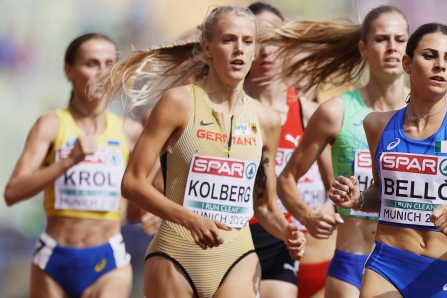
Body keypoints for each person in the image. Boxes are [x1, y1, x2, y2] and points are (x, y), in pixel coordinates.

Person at [97, 4, 306, 298]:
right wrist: (189, 218)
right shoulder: (178, 102)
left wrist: (287, 231)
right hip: (176, 256)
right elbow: (132, 183)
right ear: (207, 47)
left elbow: (264, 206)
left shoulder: (268, 120)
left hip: (237, 258)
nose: (239, 50)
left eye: (248, 41)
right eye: (228, 40)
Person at [329, 22, 447, 297]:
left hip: (446, 275)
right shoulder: (377, 125)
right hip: (387, 267)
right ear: (407, 63)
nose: (440, 65)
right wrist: (358, 199)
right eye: (430, 56)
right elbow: (382, 194)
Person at [262, 5, 410, 297]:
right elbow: (287, 178)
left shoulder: (430, 114)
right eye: (381, 39)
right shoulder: (335, 111)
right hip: (351, 262)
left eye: (400, 39)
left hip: (408, 262)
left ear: (410, 48)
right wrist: (307, 216)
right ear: (363, 48)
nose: (392, 47)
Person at [4, 33, 143, 298]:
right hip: (54, 259)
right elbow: (12, 192)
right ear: (69, 70)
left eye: (109, 63)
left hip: (108, 260)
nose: (102, 72)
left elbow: (147, 188)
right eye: (91, 63)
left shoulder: (130, 131)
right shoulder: (51, 125)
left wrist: (148, 211)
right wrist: (68, 162)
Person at [244, 3, 337, 298]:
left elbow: (335, 187)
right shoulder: (222, 111)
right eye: (254, 40)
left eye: (273, 39)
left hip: (290, 240)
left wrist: (328, 207)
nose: (265, 50)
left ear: (286, 44)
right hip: (232, 237)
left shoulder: (311, 113)